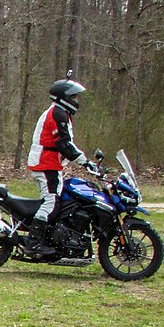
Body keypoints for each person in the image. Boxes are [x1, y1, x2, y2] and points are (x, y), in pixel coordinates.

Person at [25, 75, 97, 256]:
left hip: (48, 163)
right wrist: (85, 162)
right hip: (46, 164)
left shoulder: (59, 112)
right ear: (64, 97)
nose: (76, 101)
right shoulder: (57, 113)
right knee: (51, 202)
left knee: (56, 200)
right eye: (74, 97)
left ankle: (52, 236)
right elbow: (64, 144)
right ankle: (33, 242)